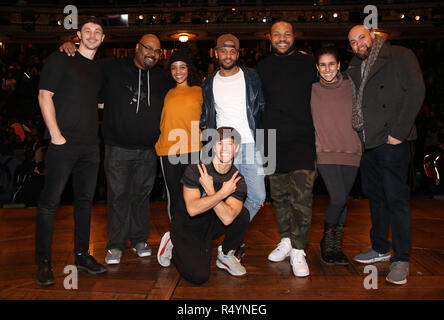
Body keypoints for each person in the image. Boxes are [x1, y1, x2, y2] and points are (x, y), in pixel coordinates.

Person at [60, 34, 168, 265]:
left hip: (149, 150)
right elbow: (85, 66)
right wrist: (71, 48)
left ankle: (140, 240)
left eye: (157, 51)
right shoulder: (112, 67)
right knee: (119, 196)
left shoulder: (162, 76)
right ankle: (116, 245)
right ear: (137, 48)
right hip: (117, 148)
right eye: (147, 48)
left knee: (141, 196)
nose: (152, 53)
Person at [347, 25, 425, 285]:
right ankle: (379, 247)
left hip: (392, 140)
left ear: (372, 36)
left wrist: (399, 133)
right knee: (376, 198)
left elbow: (416, 92)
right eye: (353, 42)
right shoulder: (354, 66)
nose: (359, 44)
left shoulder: (400, 54)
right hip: (368, 142)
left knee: (396, 200)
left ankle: (401, 258)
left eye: (361, 38)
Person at [35, 17, 107, 287]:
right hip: (62, 144)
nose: (92, 35)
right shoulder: (61, 58)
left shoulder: (98, 70)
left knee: (85, 203)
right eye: (87, 30)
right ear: (78, 34)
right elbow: (44, 96)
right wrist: (56, 136)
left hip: (90, 146)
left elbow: (96, 102)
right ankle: (43, 262)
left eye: (97, 31)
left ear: (102, 38)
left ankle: (82, 255)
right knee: (49, 204)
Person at [256, 19, 317, 277]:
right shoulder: (261, 67)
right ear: (269, 38)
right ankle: (286, 239)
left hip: (302, 138)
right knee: (279, 197)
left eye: (287, 34)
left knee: (301, 197)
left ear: (294, 37)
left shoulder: (308, 64)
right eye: (277, 34)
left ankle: (299, 249)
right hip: (269, 139)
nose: (282, 38)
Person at [157, 127, 249, 285]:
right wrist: (220, 194)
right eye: (220, 143)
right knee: (198, 276)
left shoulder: (237, 180)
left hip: (211, 224)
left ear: (237, 148)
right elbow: (192, 209)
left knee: (241, 214)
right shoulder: (196, 169)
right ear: (213, 147)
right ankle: (173, 243)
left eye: (230, 144)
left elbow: (227, 219)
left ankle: (226, 255)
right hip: (187, 226)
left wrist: (212, 191)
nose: (224, 149)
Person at [200, 34, 266, 225]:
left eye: (232, 51)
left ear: (238, 54)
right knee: (210, 195)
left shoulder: (252, 77)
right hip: (222, 147)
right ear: (216, 53)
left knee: (258, 197)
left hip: (251, 145)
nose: (228, 55)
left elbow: (262, 107)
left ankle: (232, 238)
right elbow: (207, 115)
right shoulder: (208, 83)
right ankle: (200, 237)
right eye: (223, 51)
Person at [310, 46, 362, 265]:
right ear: (317, 68)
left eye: (331, 64)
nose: (327, 69)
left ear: (339, 65)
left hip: (352, 150)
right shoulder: (311, 89)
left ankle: (335, 248)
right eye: (323, 65)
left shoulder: (352, 86)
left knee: (342, 202)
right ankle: (326, 243)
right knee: (339, 198)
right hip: (325, 152)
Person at [155, 48, 203, 221]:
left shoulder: (200, 91)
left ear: (189, 69)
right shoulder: (164, 92)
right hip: (169, 150)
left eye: (182, 67)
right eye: (174, 67)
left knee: (194, 195)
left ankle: (195, 238)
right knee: (174, 196)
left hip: (194, 149)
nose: (178, 71)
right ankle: (176, 237)